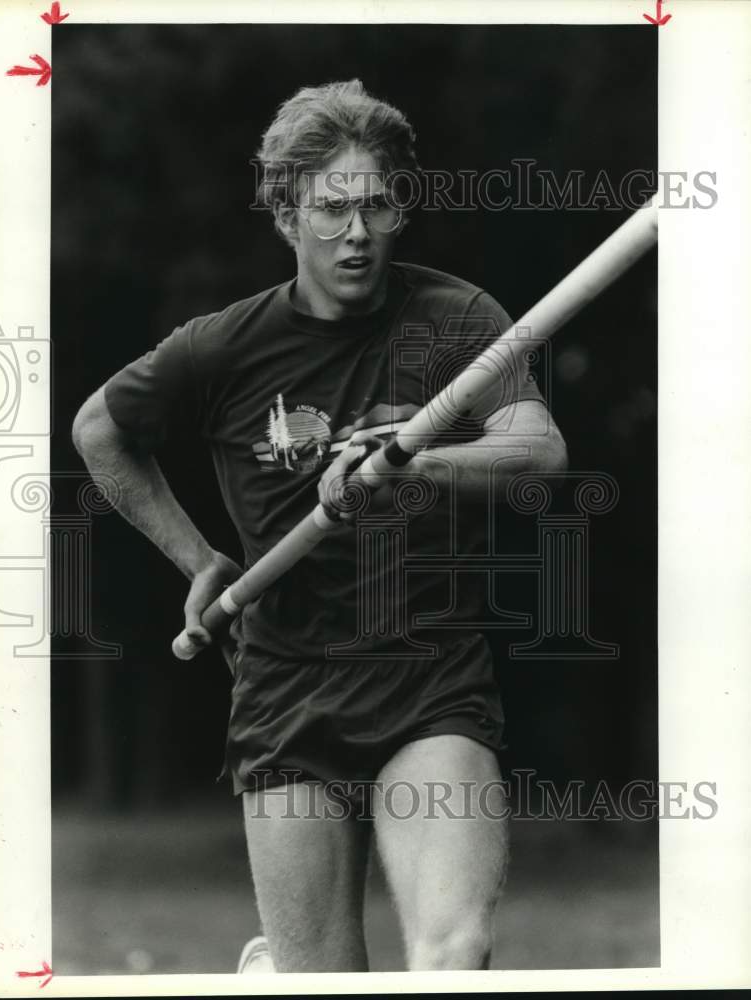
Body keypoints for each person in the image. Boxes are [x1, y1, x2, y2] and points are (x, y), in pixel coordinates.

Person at [73, 79, 567, 973]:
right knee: (324, 985)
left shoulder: (454, 318)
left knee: (454, 956)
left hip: (430, 680)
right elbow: (97, 430)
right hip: (286, 692)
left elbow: (537, 450)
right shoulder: (223, 346)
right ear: (286, 213)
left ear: (401, 208)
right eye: (331, 209)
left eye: (376, 205)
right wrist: (198, 560)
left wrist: (416, 461)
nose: (356, 233)